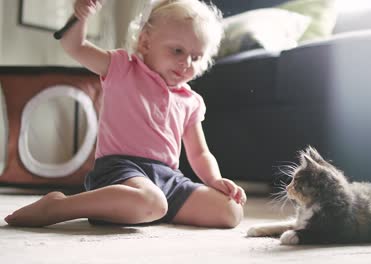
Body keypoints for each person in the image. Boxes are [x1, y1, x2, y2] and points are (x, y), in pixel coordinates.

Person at [5, 0, 246, 228]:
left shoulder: (190, 100)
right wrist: (81, 16)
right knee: (152, 201)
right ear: (145, 42)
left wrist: (215, 180)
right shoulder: (122, 68)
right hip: (120, 170)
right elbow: (74, 46)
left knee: (230, 211)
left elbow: (199, 152)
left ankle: (141, 210)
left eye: (196, 57)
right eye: (177, 51)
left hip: (168, 177)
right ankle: (60, 206)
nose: (186, 63)